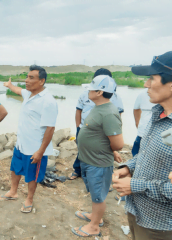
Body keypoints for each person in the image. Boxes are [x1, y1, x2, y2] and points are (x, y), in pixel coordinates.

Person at [113, 51, 172, 240]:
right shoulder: (158, 114)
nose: (145, 84)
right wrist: (128, 167)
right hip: (138, 213)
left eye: (151, 79)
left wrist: (135, 185)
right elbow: (147, 153)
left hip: (160, 225)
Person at [0, 65, 58, 213]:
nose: (27, 80)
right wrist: (9, 85)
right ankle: (13, 192)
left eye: (31, 78)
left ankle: (29, 199)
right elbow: (18, 90)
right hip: (21, 143)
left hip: (35, 148)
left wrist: (40, 151)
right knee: (15, 168)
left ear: (42, 81)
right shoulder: (29, 94)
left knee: (32, 176)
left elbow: (50, 129)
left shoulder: (48, 101)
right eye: (27, 77)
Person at [71, 75, 124, 237]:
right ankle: (95, 216)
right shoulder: (99, 107)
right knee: (95, 193)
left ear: (100, 92)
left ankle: (94, 226)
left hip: (98, 163)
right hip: (89, 160)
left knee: (99, 196)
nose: (88, 91)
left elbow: (118, 144)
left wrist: (113, 150)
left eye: (91, 88)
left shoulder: (109, 113)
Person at [69, 68, 124, 180]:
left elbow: (118, 116)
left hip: (102, 130)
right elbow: (78, 111)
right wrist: (78, 127)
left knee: (103, 151)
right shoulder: (86, 94)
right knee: (82, 150)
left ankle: (105, 175)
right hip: (84, 127)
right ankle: (78, 170)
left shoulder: (115, 97)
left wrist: (114, 132)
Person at [132, 90, 156, 156]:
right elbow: (136, 109)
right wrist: (138, 124)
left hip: (159, 138)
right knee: (136, 159)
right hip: (142, 134)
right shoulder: (143, 94)